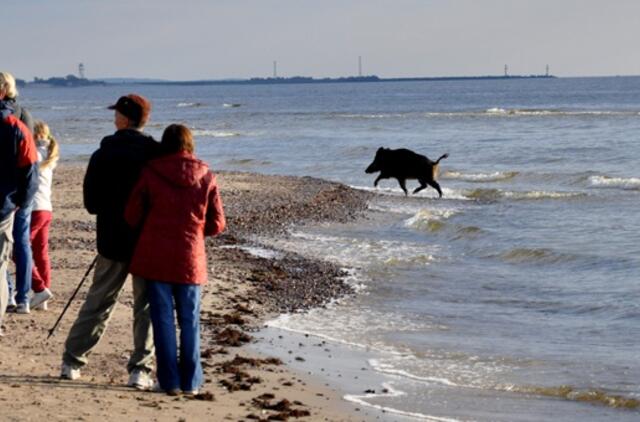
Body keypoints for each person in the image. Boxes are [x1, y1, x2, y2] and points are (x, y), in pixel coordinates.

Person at [60, 94, 160, 390]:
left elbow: (91, 203)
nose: (114, 118)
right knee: (145, 307)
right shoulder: (156, 154)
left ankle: (72, 362)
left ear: (124, 119)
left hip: (113, 239)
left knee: (99, 302)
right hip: (145, 240)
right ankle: (139, 369)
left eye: (116, 113)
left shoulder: (103, 154)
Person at [125, 124, 225, 395]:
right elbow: (217, 223)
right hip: (190, 257)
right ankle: (191, 382)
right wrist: (195, 230)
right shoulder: (206, 174)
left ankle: (168, 381)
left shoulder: (151, 172)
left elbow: (132, 215)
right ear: (189, 145)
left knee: (162, 319)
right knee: (190, 320)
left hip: (156, 256)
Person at [0, 86, 38, 334]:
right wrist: (22, 200)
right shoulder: (15, 125)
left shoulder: (15, 125)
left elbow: (29, 167)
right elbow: (30, 169)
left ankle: (18, 297)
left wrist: (20, 201)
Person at [29, 121, 60, 311]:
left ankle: (39, 288)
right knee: (41, 252)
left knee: (17, 249)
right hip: (46, 208)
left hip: (34, 208)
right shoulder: (50, 154)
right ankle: (43, 294)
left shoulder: (36, 154)